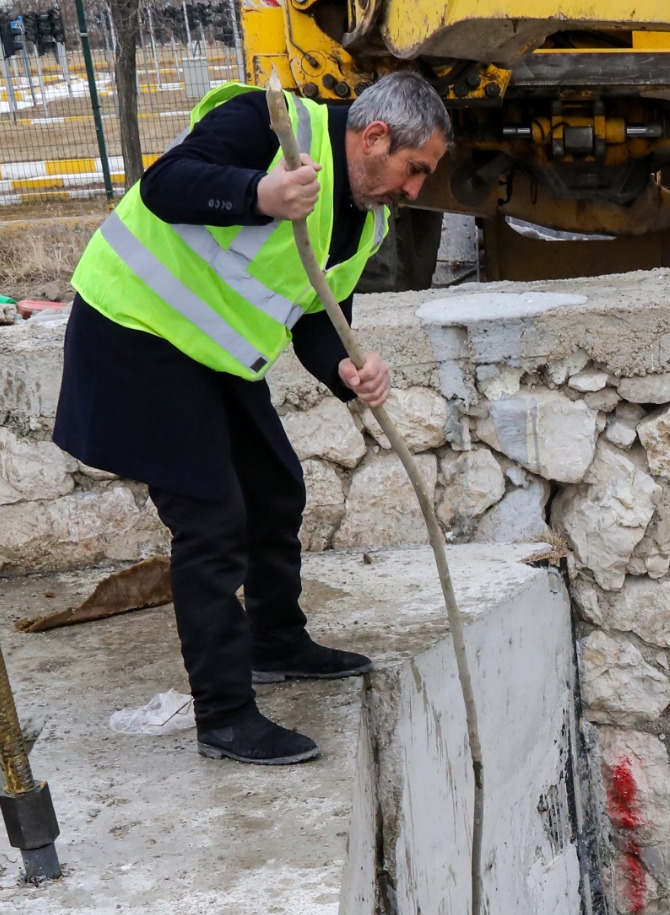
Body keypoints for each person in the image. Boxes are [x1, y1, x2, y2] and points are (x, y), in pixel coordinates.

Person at [55, 70, 451, 764]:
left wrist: (348, 368)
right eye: (414, 170)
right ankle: (226, 716)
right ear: (376, 136)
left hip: (209, 352)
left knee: (275, 487)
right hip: (134, 331)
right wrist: (257, 194)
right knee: (212, 522)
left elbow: (319, 318)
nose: (416, 191)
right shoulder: (268, 126)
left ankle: (276, 640)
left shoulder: (367, 213)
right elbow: (166, 183)